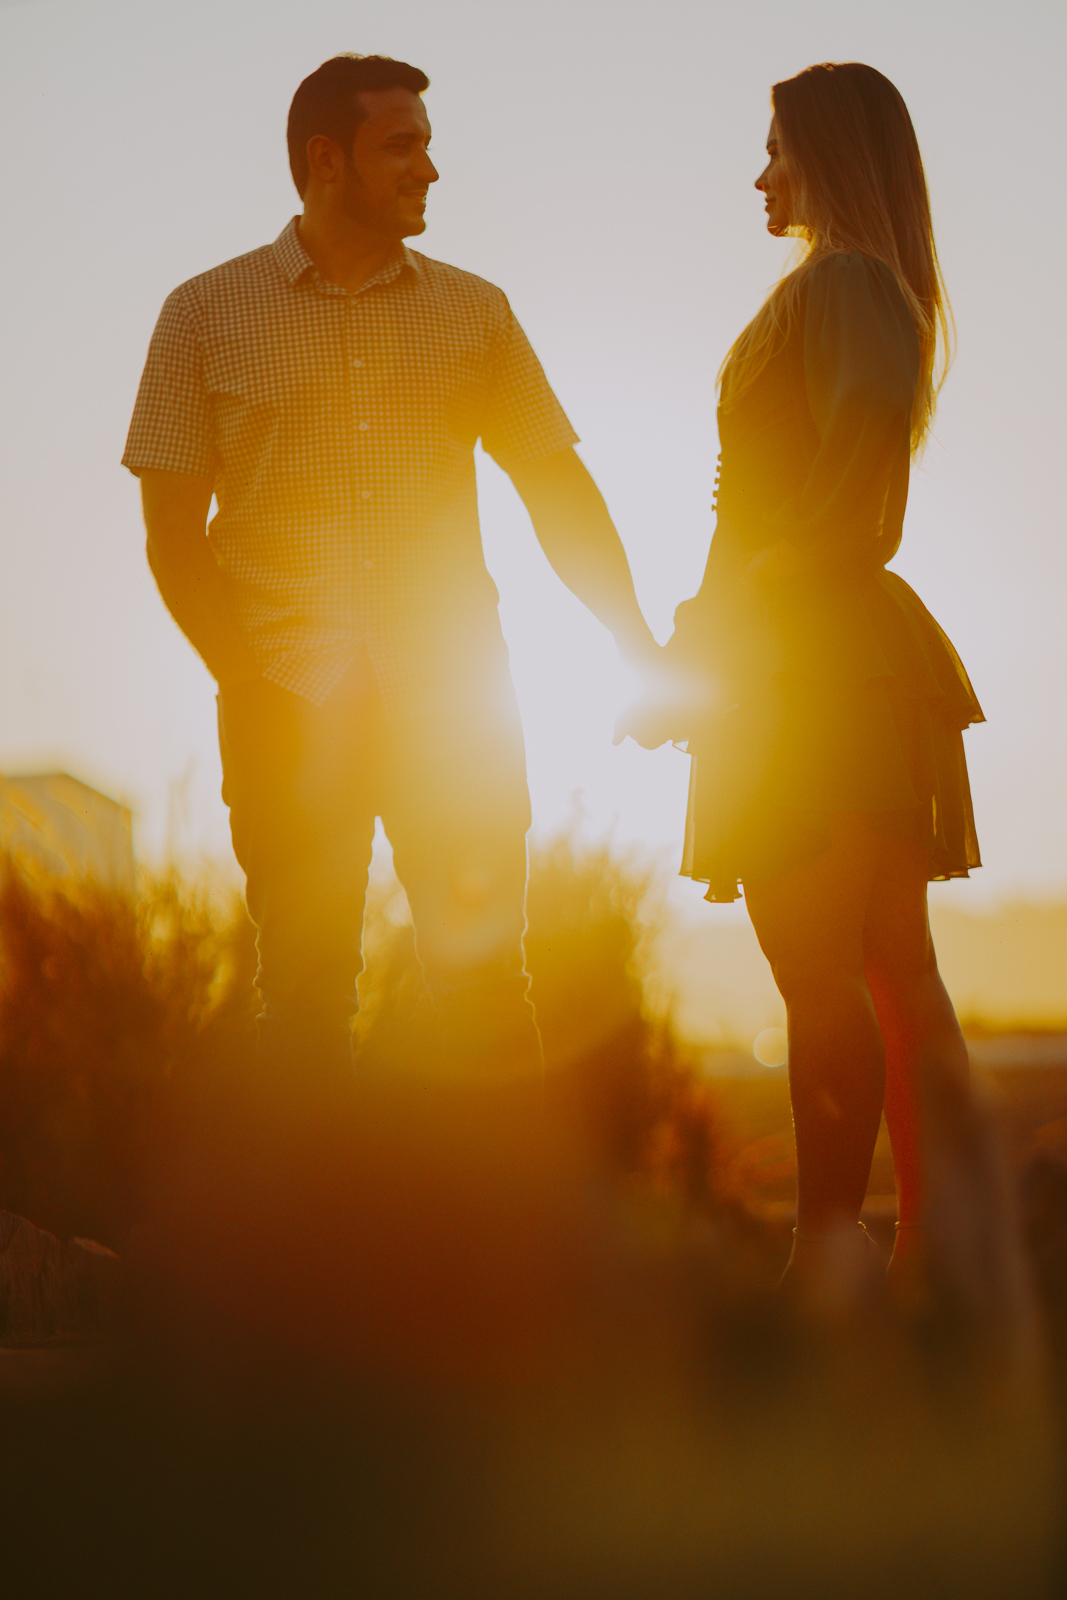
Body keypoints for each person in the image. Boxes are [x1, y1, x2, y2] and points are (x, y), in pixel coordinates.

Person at [124, 54, 657, 1086]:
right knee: (306, 1004)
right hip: (284, 707)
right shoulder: (203, 313)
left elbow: (558, 493)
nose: (430, 168)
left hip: (454, 714)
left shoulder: (476, 313)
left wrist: (636, 644)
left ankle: (497, 1247)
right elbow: (172, 538)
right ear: (326, 160)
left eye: (426, 142)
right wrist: (248, 682)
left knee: (488, 993)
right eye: (400, 145)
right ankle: (316, 1247)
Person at [623, 62, 983, 1293]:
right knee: (890, 970)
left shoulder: (841, 286)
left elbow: (843, 499)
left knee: (827, 967)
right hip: (818, 654)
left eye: (775, 147)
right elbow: (767, 515)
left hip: (811, 669)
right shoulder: (850, 289)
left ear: (823, 155)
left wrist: (735, 617)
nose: (761, 172)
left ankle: (831, 1252)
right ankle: (930, 1262)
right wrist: (690, 653)